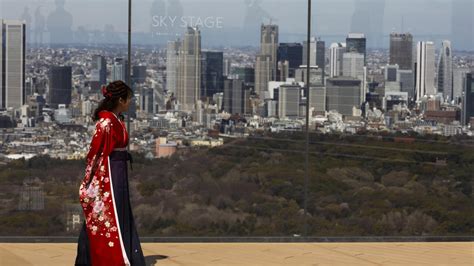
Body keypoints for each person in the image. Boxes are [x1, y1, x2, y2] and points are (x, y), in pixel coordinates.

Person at [75, 80, 145, 266]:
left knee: (115, 213)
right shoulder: (106, 122)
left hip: (117, 171)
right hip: (111, 173)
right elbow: (95, 153)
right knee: (108, 213)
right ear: (120, 100)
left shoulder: (114, 119)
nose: (130, 102)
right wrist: (90, 182)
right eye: (128, 99)